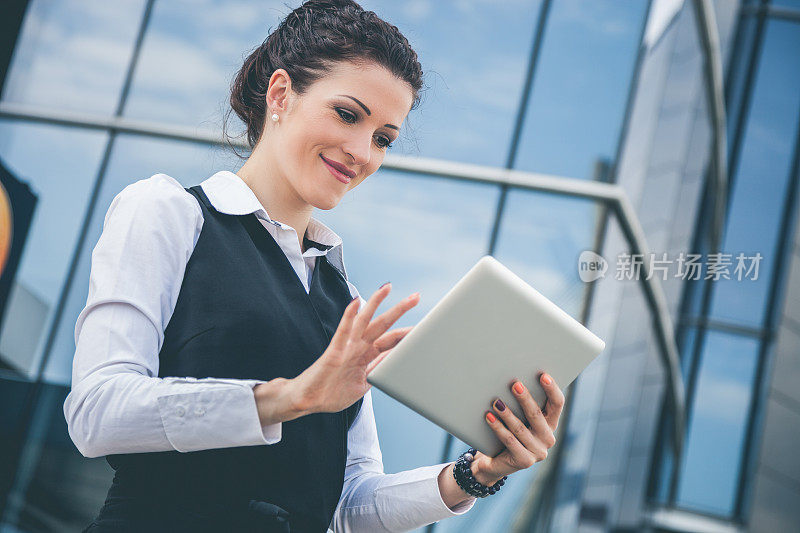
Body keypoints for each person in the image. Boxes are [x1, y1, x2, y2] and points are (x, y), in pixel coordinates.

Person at [63, 0, 566, 531]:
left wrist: (478, 473)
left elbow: (347, 506)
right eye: (348, 114)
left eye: (383, 139)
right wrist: (289, 397)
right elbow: (97, 412)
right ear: (280, 94)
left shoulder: (341, 294)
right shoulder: (170, 212)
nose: (362, 152)